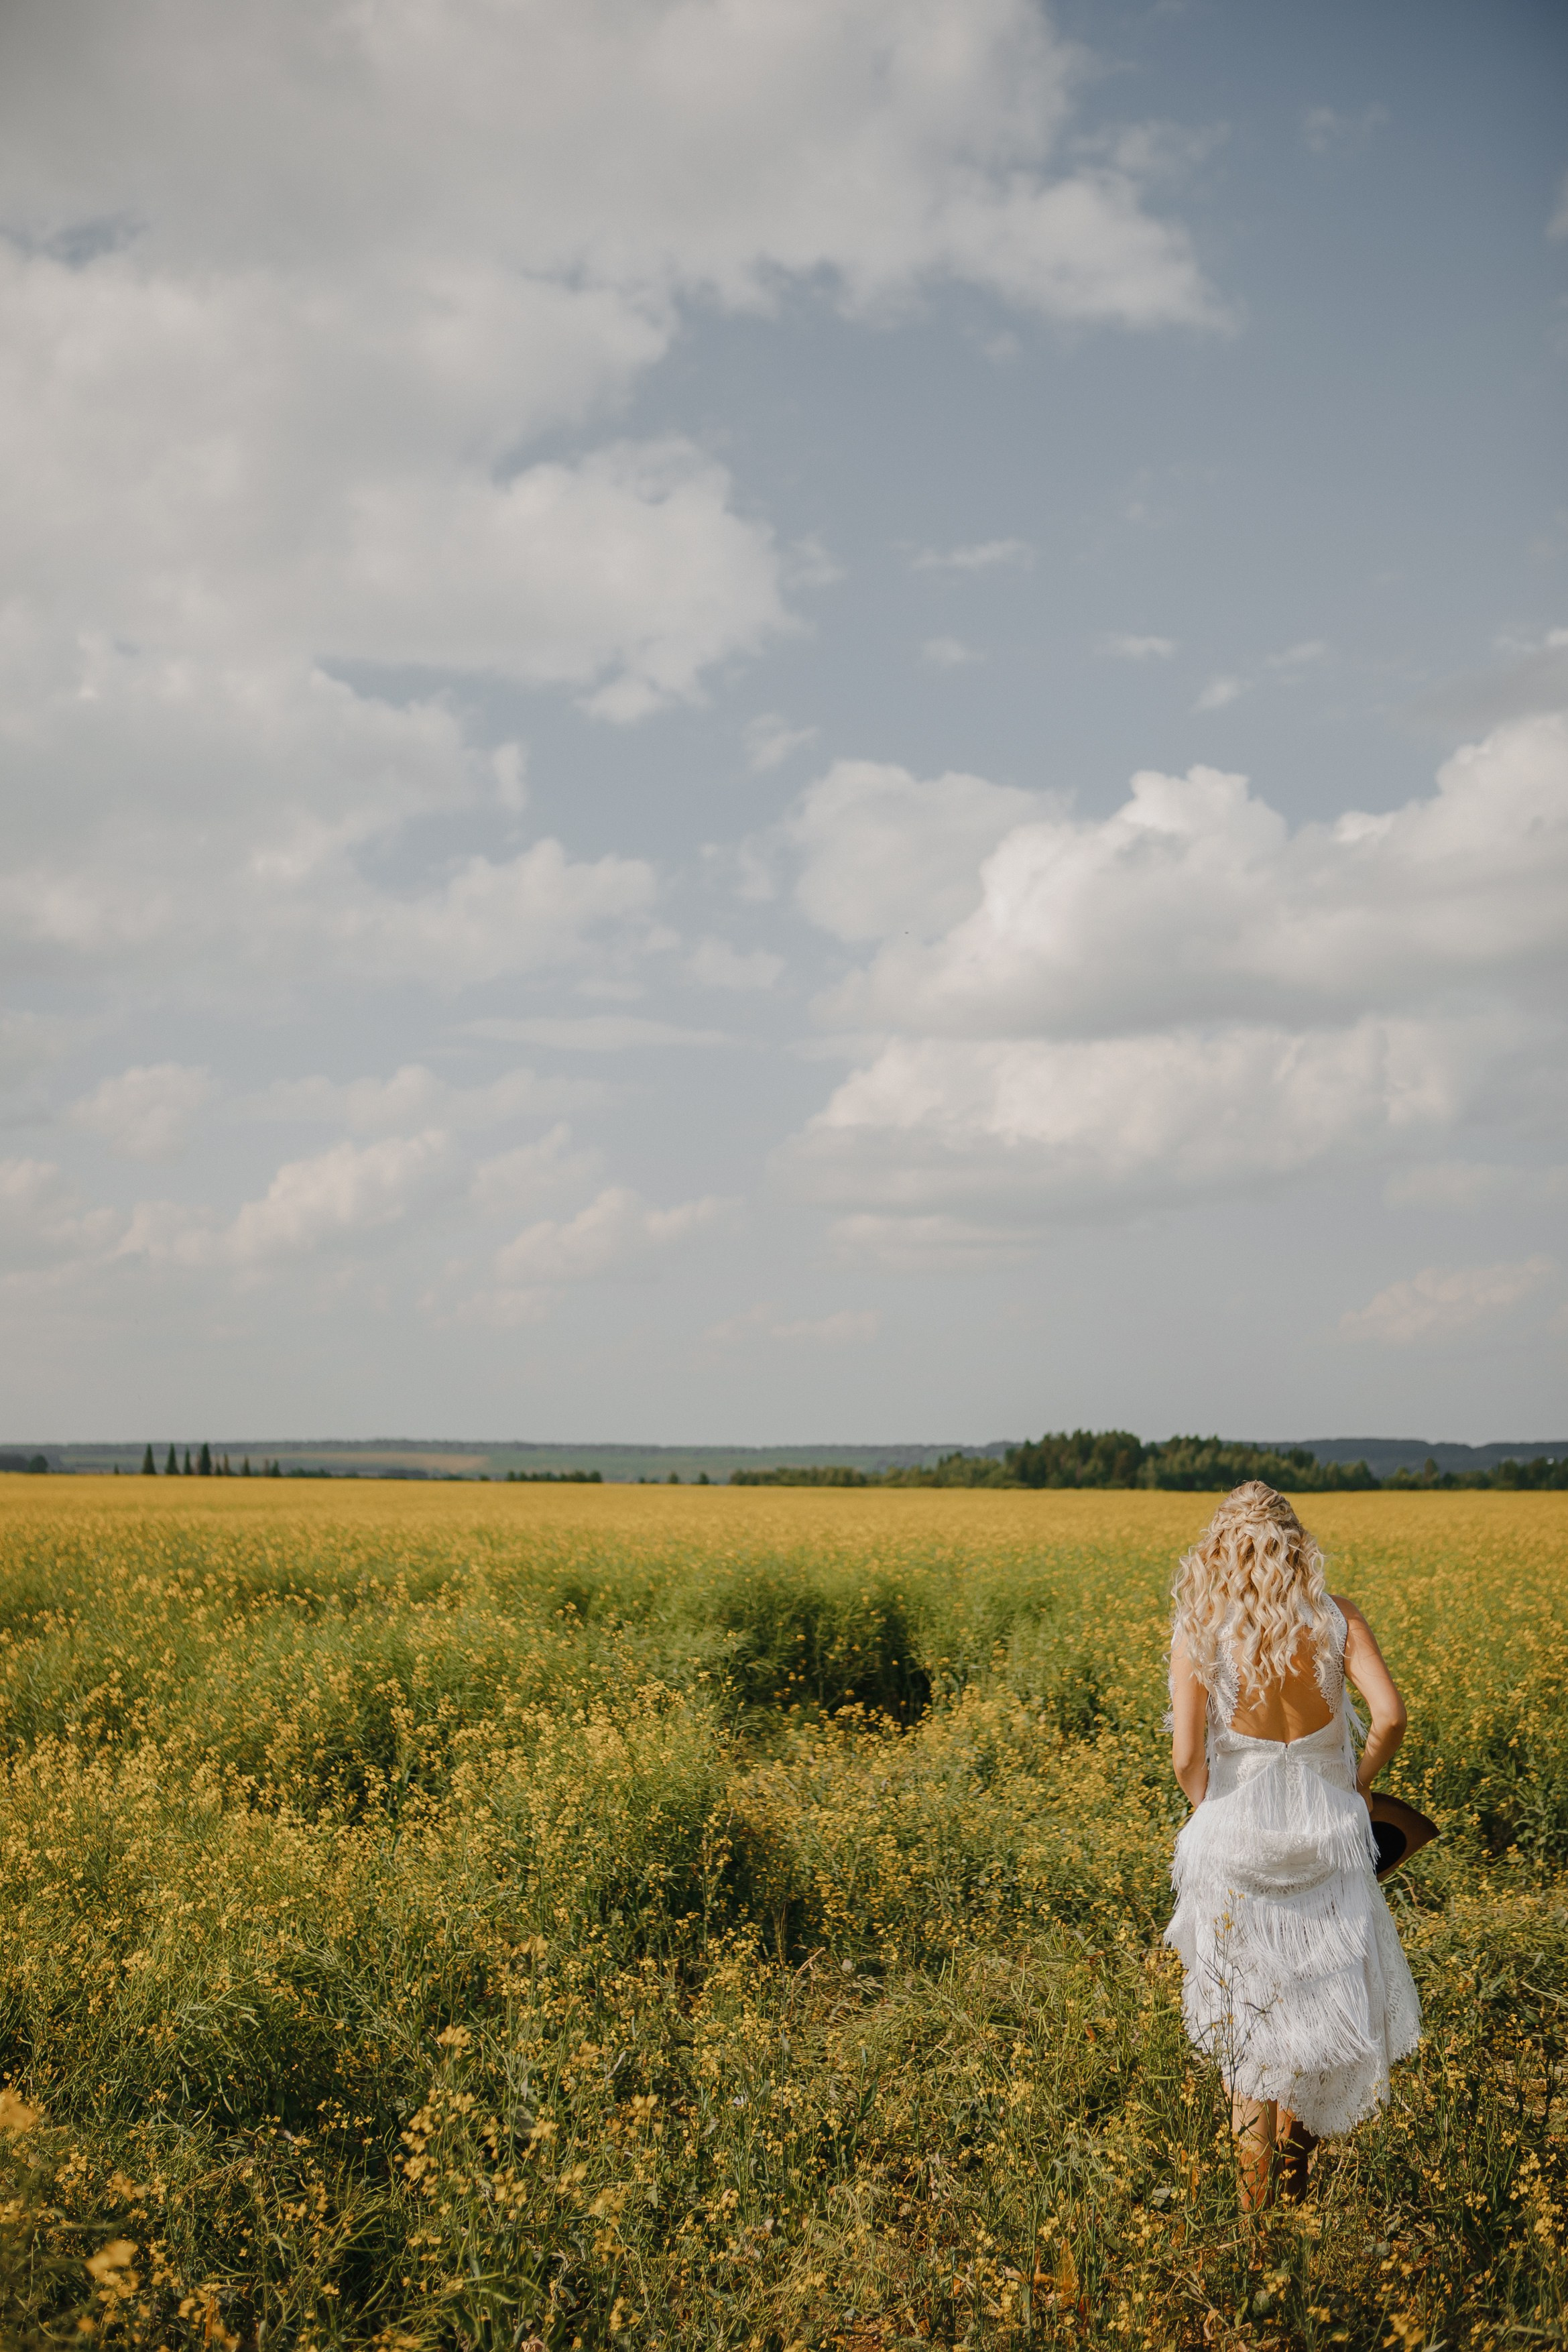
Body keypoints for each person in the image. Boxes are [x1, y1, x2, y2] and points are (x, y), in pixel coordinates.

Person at [1164, 1482, 1422, 2207]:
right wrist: (1356, 1787)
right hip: (1326, 1835)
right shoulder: (1337, 1620)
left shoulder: (1198, 1628)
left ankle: (1254, 2232)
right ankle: (1298, 2198)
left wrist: (1213, 1810)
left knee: (1249, 2035)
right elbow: (1391, 1716)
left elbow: (1187, 1758)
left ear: (1219, 1550)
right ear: (1295, 1546)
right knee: (1319, 2020)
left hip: (1234, 1837)